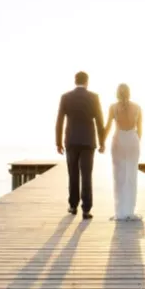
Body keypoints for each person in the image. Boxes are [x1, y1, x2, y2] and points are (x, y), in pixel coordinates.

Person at [55, 71, 106, 219]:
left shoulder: (66, 97)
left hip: (71, 140)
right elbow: (99, 121)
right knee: (86, 174)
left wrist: (58, 142)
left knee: (73, 173)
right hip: (88, 141)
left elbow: (59, 120)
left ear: (75, 81)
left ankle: (72, 205)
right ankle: (86, 209)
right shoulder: (94, 97)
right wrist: (102, 142)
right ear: (87, 82)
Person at [106, 83, 142, 221]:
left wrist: (102, 141)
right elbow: (140, 130)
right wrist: (135, 142)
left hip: (119, 140)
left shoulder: (113, 108)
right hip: (132, 140)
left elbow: (108, 126)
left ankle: (120, 212)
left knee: (119, 176)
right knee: (131, 175)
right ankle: (129, 211)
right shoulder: (137, 107)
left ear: (117, 93)